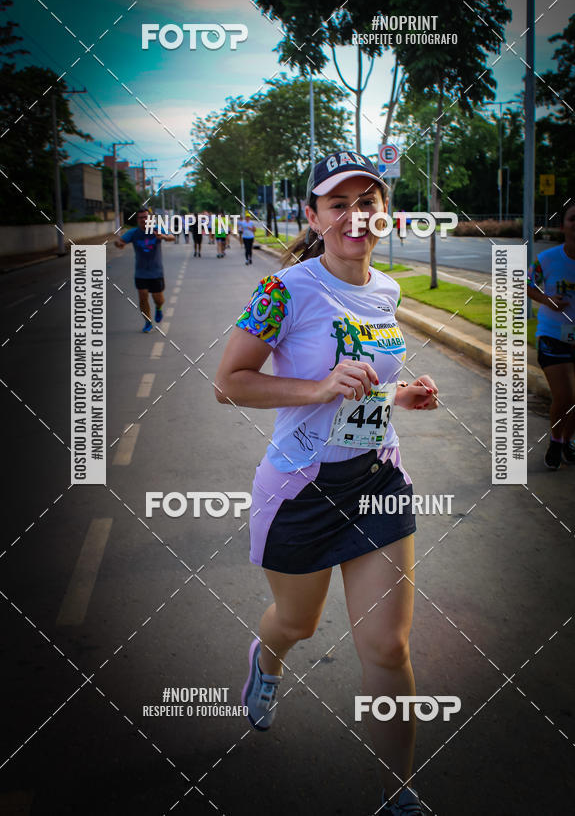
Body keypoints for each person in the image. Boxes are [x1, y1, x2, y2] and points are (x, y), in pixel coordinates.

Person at [215, 151, 439, 815]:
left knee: (387, 647)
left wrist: (401, 396)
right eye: (338, 204)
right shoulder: (283, 290)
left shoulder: (388, 291)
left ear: (384, 215)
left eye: (366, 202)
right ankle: (267, 657)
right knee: (298, 622)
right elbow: (229, 383)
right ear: (313, 215)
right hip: (301, 490)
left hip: (378, 480)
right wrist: (316, 387)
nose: (354, 215)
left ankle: (396, 794)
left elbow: (366, 381)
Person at [527, 202, 575, 469]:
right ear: (563, 226)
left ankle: (567, 441)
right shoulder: (549, 258)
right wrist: (547, 300)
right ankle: (556, 440)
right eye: (573, 218)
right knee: (566, 395)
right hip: (553, 335)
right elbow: (525, 283)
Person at [115, 208, 175, 332]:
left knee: (158, 299)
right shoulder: (133, 233)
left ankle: (158, 308)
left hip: (156, 271)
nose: (144, 219)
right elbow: (120, 241)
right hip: (141, 272)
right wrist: (118, 244)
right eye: (141, 217)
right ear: (137, 220)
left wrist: (163, 236)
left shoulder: (157, 229)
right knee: (143, 296)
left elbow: (171, 237)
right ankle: (147, 322)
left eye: (146, 217)